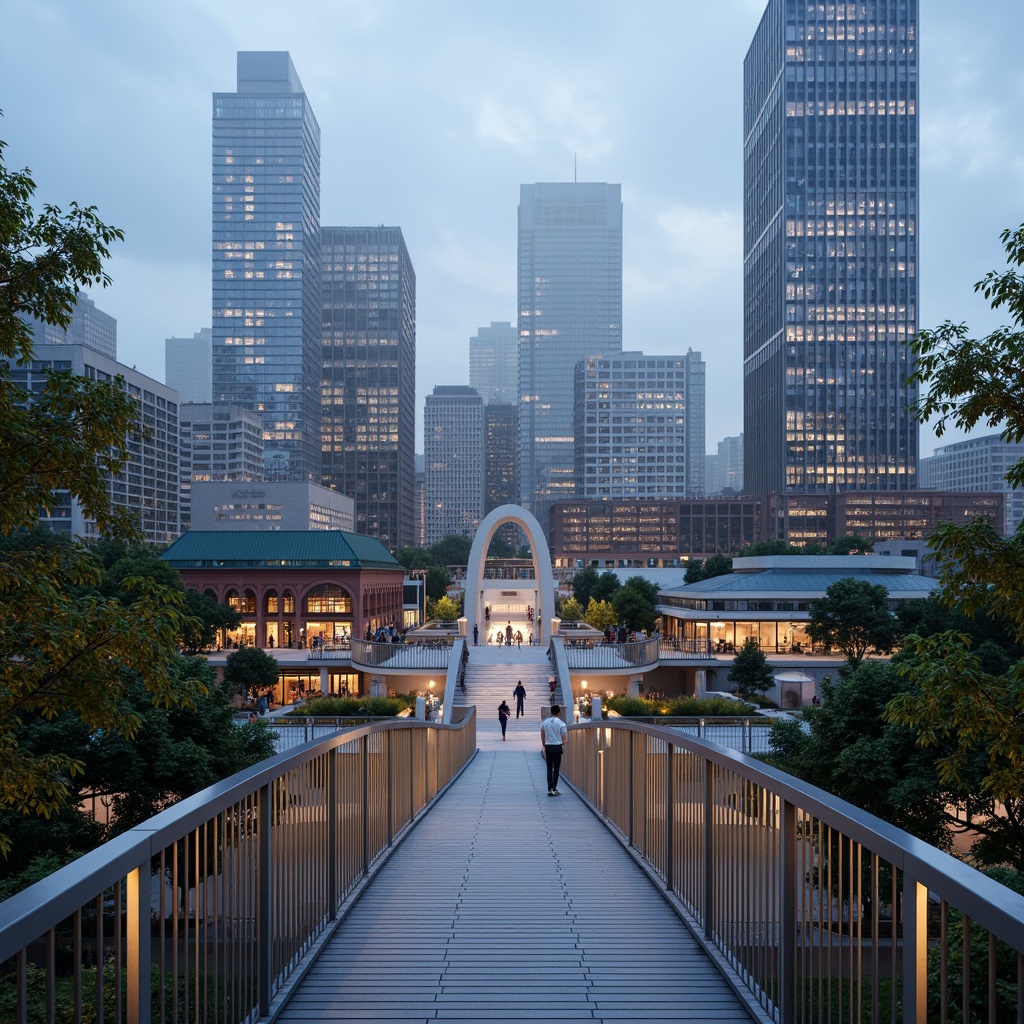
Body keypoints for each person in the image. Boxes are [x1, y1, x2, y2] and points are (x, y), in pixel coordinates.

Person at [540, 704, 567, 796]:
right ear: (558, 712)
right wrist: (564, 744)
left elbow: (542, 734)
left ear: (551, 712)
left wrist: (544, 744)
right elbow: (563, 737)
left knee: (549, 768)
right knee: (556, 769)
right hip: (557, 747)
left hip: (548, 746)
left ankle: (549, 788)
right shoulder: (561, 723)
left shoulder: (545, 722)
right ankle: (554, 788)